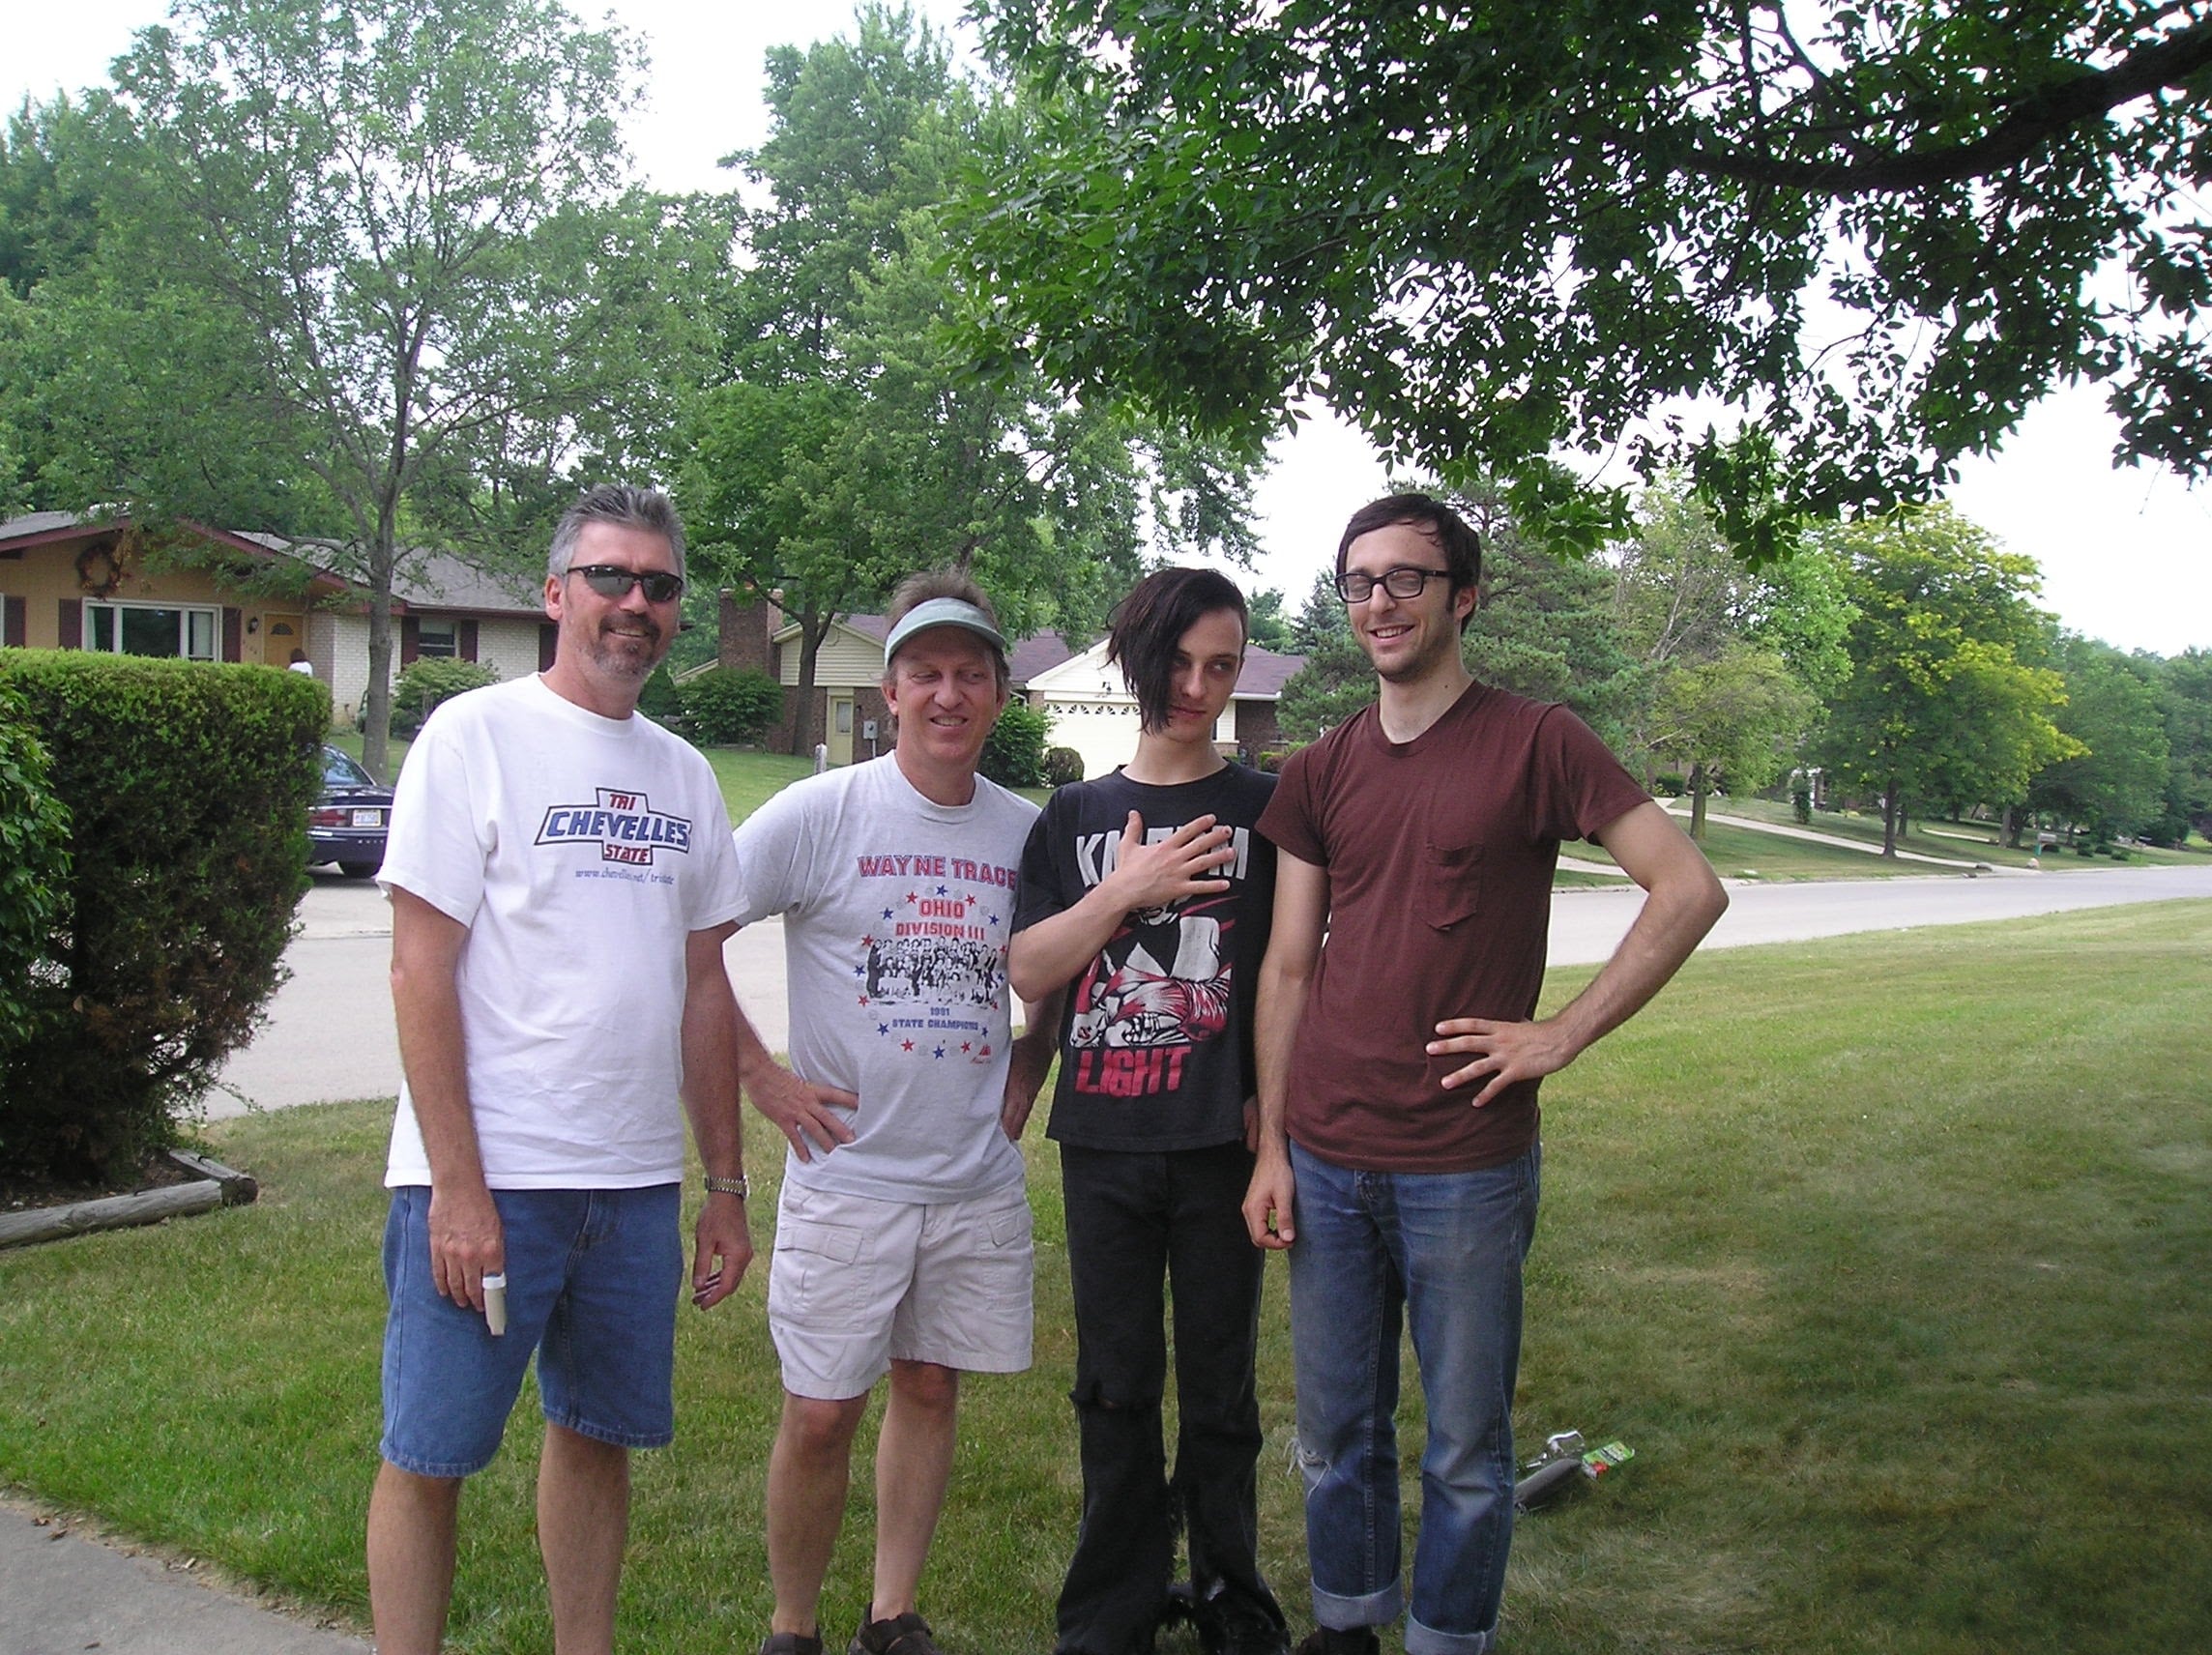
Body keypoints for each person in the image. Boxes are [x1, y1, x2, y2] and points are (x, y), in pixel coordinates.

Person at [1241, 493, 1729, 1655]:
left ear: (1463, 596)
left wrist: (1559, 1031)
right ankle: (1347, 1622)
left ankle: (1446, 1637)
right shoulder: (1318, 769)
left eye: (1406, 578)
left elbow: (1687, 887)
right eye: (1359, 580)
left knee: (1464, 1444)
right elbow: (1287, 969)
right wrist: (1269, 1144)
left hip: (1465, 1164)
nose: (1378, 601)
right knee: (1336, 1428)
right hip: (1326, 1149)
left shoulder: (1538, 739)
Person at [364, 484, 756, 1655]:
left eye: (658, 584)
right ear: (554, 595)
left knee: (595, 1436)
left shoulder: (686, 775)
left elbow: (701, 991)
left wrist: (723, 1186)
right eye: (609, 577)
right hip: (491, 1178)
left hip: (630, 1187)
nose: (634, 602)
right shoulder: (473, 736)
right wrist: (458, 1188)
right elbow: (417, 972)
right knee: (429, 1453)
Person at [732, 570, 1062, 1655]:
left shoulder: (1025, 832)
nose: (948, 694)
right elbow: (688, 939)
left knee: (928, 1385)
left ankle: (892, 1610)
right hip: (848, 1177)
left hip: (968, 1179)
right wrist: (762, 1077)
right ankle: (792, 1624)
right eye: (926, 672)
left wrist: (1031, 1058)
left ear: (999, 696)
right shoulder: (820, 813)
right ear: (889, 690)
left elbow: (1056, 966)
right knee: (821, 1408)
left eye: (971, 674)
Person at [1009, 568, 1291, 1655]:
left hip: (1223, 1141)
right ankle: (1113, 1605)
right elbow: (1030, 969)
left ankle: (1231, 1598)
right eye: (1178, 661)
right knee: (1114, 1385)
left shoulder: (1266, 810)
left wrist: (1278, 1110)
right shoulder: (1077, 814)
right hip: (1105, 1141)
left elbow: (1282, 971)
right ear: (1138, 659)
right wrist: (1124, 891)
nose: (1198, 685)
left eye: (1221, 665)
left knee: (1220, 1388)